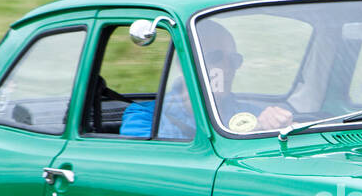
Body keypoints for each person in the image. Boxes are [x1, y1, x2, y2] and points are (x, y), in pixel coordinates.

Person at [120, 20, 292, 138]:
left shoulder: (249, 112)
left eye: (233, 60)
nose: (227, 68)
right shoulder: (143, 115)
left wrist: (280, 124)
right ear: (184, 65)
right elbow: (146, 161)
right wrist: (190, 108)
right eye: (215, 58)